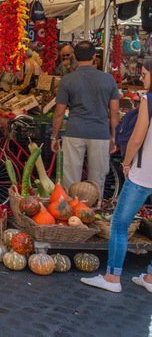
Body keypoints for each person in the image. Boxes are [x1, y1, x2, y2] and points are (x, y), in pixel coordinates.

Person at [81, 58, 152, 294]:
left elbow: (137, 138)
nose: (142, 79)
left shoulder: (148, 101)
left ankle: (112, 277)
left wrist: (127, 161)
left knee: (119, 225)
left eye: (144, 74)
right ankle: (150, 277)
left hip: (144, 173)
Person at [51, 41, 120, 191]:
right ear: (94, 56)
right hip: (100, 133)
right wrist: (114, 137)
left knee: (70, 180)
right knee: (97, 180)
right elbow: (114, 111)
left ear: (75, 56)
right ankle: (95, 209)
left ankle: (70, 211)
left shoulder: (67, 80)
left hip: (74, 132)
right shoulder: (108, 79)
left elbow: (59, 112)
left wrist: (54, 136)